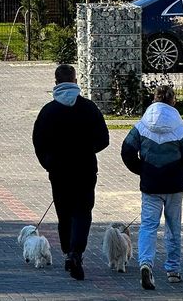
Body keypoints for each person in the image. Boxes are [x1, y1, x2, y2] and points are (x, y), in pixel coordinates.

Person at [31, 64, 109, 281]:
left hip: (59, 171)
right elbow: (104, 139)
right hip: (85, 170)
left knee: (64, 213)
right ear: (75, 81)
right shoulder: (89, 108)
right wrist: (86, 150)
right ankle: (77, 252)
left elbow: (38, 141)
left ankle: (67, 252)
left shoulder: (48, 111)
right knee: (83, 212)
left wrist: (48, 162)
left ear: (56, 83)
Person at [121, 84, 183, 290]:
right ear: (173, 101)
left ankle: (146, 264)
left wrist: (142, 170)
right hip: (174, 185)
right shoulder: (180, 127)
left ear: (154, 99)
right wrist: (182, 175)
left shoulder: (142, 125)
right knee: (173, 227)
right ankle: (173, 270)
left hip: (151, 184)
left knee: (148, 226)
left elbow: (127, 150)